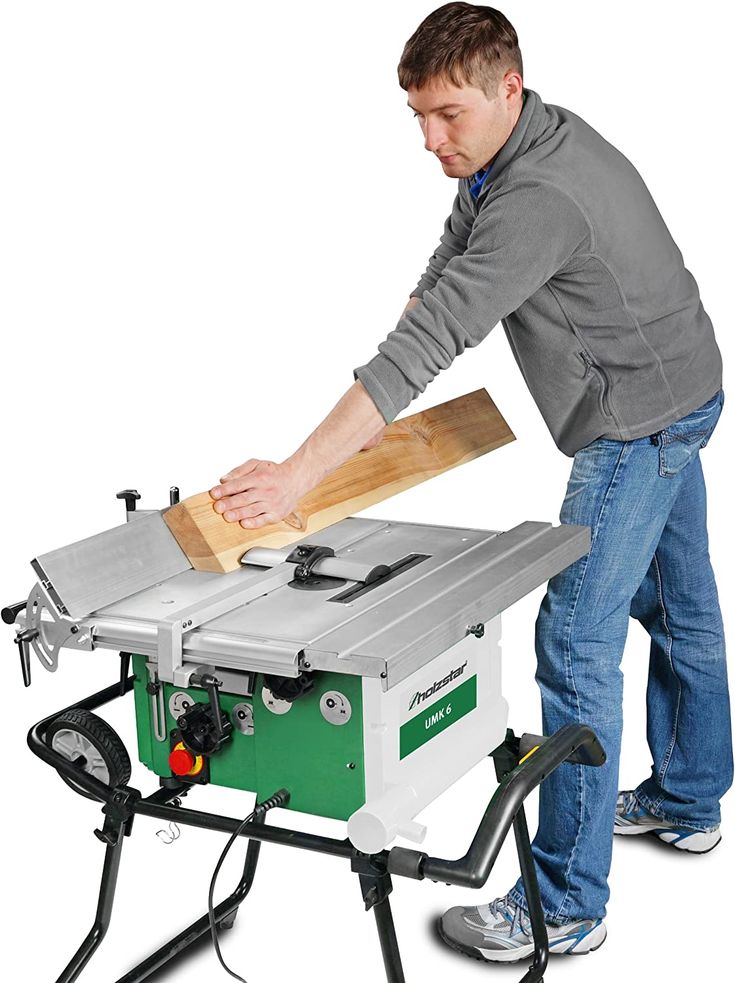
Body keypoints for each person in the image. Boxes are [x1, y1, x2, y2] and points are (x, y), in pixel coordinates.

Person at [209, 1, 732, 963]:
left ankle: (565, 902)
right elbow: (459, 243)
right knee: (678, 608)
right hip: (684, 385)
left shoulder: (541, 196)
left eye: (446, 115)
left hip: (635, 425)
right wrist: (433, 293)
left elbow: (429, 341)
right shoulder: (519, 147)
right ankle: (692, 798)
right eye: (415, 116)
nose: (428, 139)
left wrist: (297, 475)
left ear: (507, 88)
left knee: (575, 639)